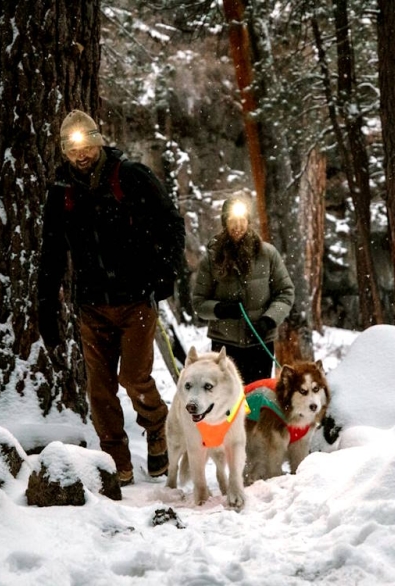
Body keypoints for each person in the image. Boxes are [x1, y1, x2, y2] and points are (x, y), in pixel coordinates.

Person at [37, 110, 185, 486]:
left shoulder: (131, 177)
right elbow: (51, 255)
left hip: (135, 300)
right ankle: (115, 461)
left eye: (86, 145)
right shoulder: (61, 195)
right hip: (90, 307)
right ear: (64, 152)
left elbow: (171, 223)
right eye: (72, 149)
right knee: (100, 390)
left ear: (98, 141)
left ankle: (157, 427)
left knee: (134, 378)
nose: (81, 155)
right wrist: (47, 311)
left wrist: (165, 276)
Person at [191, 195, 295, 384]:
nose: (237, 226)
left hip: (260, 340)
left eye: (241, 220)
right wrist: (220, 309)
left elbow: (286, 292)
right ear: (224, 223)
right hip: (224, 345)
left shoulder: (268, 254)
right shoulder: (212, 259)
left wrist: (269, 320)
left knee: (257, 395)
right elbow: (199, 302)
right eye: (232, 221)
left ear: (248, 221)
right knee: (227, 399)